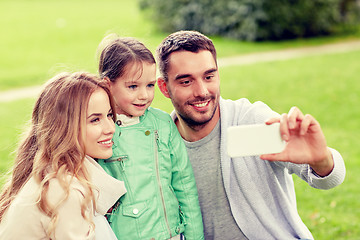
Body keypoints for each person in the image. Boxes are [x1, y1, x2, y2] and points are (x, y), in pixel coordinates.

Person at [156, 30, 346, 240]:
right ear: (164, 87)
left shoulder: (250, 120)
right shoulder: (160, 145)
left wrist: (321, 160)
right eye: (186, 82)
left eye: (209, 76)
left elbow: (330, 179)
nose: (202, 91)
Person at [96, 34, 204, 240]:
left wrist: (195, 237)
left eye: (150, 85)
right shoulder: (100, 130)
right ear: (108, 84)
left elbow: (185, 186)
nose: (144, 95)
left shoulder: (162, 124)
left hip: (173, 234)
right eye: (133, 86)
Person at [0, 72, 126, 239]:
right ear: (64, 127)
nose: (110, 128)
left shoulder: (53, 171)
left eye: (109, 115)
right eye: (95, 120)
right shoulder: (64, 190)